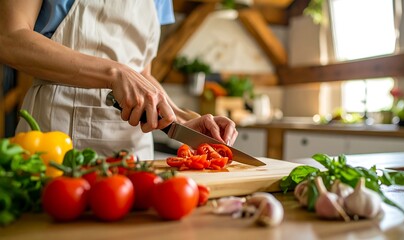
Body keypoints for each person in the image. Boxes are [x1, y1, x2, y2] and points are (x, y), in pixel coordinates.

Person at [0, 0, 238, 158]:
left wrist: (182, 120)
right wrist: (114, 73)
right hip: (58, 141)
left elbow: (142, 74)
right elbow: (9, 38)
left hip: (134, 152)